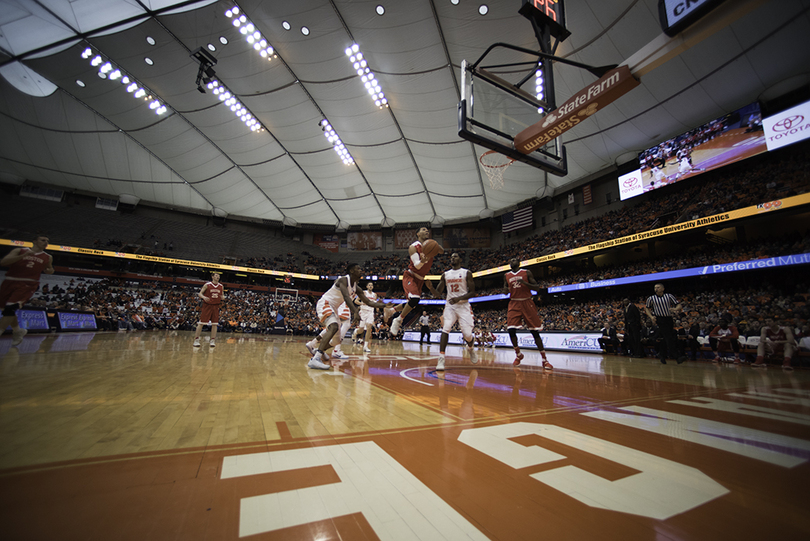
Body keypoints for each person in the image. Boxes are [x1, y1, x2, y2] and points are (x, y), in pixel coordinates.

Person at [308, 263, 386, 370]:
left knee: (336, 341)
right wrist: (355, 312)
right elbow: (346, 297)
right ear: (352, 271)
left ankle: (319, 350)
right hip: (325, 303)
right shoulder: (343, 280)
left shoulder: (356, 288)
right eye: (358, 268)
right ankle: (316, 358)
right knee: (334, 326)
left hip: (334, 308)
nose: (361, 270)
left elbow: (369, 302)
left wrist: (384, 305)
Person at [387, 227, 442, 336]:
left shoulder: (430, 244)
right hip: (410, 276)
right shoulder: (413, 247)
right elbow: (417, 265)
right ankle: (398, 319)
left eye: (427, 230)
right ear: (418, 234)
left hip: (420, 278)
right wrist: (423, 261)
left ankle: (392, 310)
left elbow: (442, 251)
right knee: (415, 299)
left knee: (413, 303)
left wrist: (434, 245)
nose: (426, 231)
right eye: (423, 229)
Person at [0, 233, 54, 346]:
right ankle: (17, 331)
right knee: (6, 310)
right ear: (34, 241)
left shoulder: (47, 257)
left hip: (28, 284)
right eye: (43, 240)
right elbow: (3, 262)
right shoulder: (20, 251)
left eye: (47, 241)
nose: (46, 242)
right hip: (9, 281)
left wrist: (49, 271)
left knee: (10, 308)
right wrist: (23, 256)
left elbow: (50, 269)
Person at [503, 258, 552, 370]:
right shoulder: (506, 275)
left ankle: (544, 360)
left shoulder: (526, 272)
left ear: (519, 263)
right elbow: (505, 290)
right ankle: (518, 354)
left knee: (534, 331)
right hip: (514, 302)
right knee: (510, 329)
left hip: (527, 301)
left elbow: (537, 288)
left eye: (515, 260)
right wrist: (505, 290)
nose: (512, 261)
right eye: (511, 260)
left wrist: (525, 283)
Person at [433, 253, 478, 371]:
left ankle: (470, 348)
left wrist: (459, 298)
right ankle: (441, 358)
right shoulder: (445, 275)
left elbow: (472, 292)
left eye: (456, 256)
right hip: (450, 306)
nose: (453, 258)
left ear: (460, 259)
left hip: (463, 305)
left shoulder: (466, 273)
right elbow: (437, 293)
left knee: (467, 335)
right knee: (446, 327)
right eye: (451, 257)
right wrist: (430, 287)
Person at [644, 283, 687, 364]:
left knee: (665, 338)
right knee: (668, 337)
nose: (656, 289)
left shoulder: (669, 296)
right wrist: (651, 317)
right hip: (660, 319)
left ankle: (662, 355)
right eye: (655, 288)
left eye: (658, 287)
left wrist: (675, 309)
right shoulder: (651, 298)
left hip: (669, 318)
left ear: (663, 289)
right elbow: (647, 309)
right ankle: (677, 357)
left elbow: (679, 305)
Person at [193, 272, 224, 347]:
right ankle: (196, 340)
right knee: (201, 323)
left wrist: (223, 297)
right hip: (207, 305)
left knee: (215, 324)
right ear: (212, 277)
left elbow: (222, 295)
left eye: (219, 276)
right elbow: (200, 294)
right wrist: (204, 297)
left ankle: (212, 340)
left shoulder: (221, 286)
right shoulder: (207, 285)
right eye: (216, 276)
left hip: (216, 306)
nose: (218, 277)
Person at [351, 282, 378, 353]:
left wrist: (377, 307)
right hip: (363, 312)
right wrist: (362, 303)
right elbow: (356, 301)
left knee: (369, 327)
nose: (370, 286)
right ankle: (355, 332)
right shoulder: (364, 293)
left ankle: (365, 346)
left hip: (370, 312)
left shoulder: (375, 295)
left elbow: (374, 303)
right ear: (367, 286)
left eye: (371, 285)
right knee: (361, 330)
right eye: (369, 285)